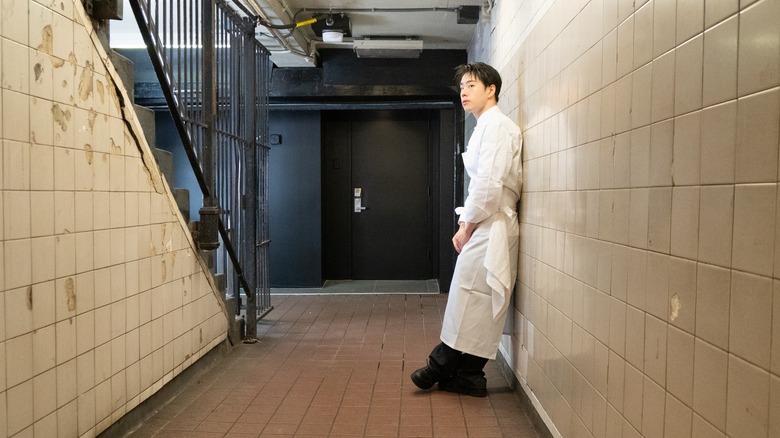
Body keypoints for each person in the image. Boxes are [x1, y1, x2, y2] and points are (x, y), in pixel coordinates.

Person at [410, 62, 522, 397]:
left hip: (491, 223)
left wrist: (466, 226)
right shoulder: (486, 127)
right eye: (461, 87)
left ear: (492, 90)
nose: (464, 92)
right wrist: (469, 221)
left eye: (471, 85)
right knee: (475, 298)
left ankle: (444, 365)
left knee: (471, 297)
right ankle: (468, 375)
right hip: (487, 221)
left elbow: (488, 185)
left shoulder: (498, 126)